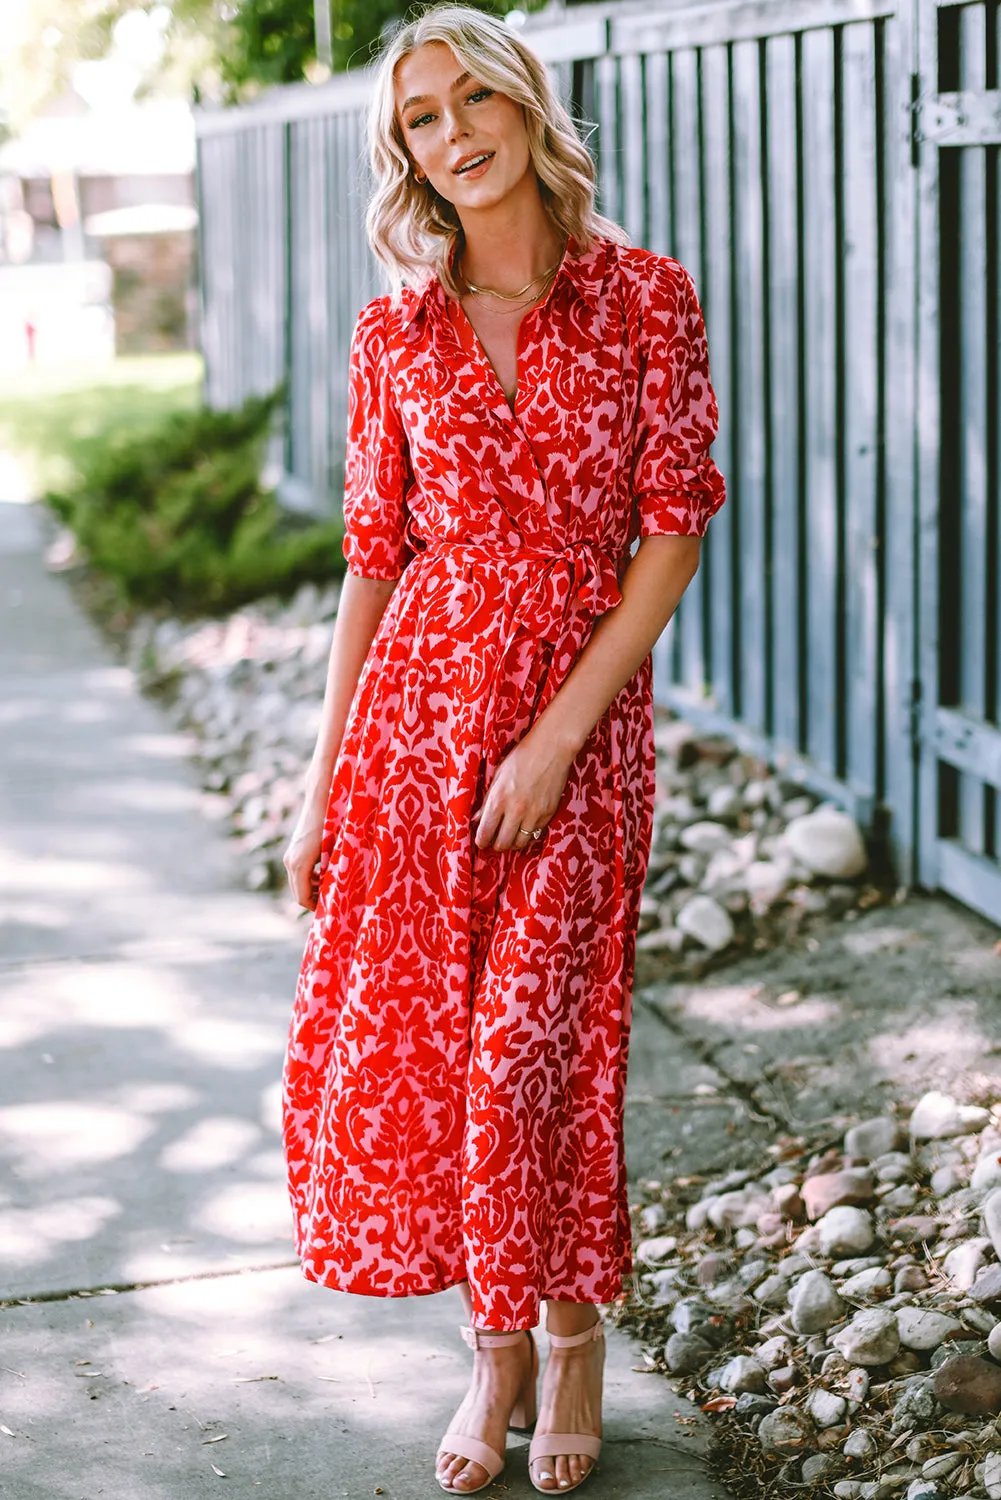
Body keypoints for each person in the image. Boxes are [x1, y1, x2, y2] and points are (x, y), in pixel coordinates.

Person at [281, 4, 725, 1493]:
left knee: (543, 1040)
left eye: (475, 98)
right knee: (453, 1053)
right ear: (401, 147)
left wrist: (550, 741)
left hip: (577, 729)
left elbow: (670, 536)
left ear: (530, 112)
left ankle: (574, 1334)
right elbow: (372, 562)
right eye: (421, 115)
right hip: (415, 727)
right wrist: (322, 782)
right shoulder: (393, 329)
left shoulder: (648, 298)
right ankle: (498, 1354)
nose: (453, 131)